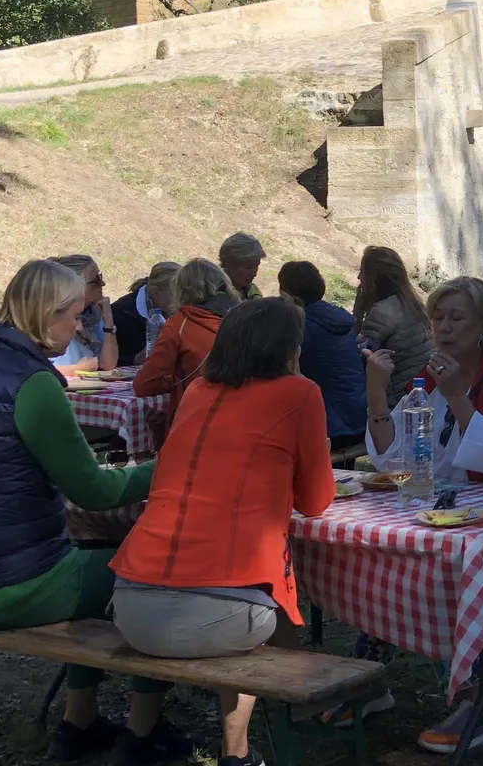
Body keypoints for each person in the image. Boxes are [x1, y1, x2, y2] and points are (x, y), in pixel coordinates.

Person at [0, 260, 186, 764]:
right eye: (75, 316)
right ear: (46, 314)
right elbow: (93, 490)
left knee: (98, 554)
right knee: (159, 578)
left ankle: (79, 721)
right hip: (9, 587)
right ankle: (143, 735)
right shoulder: (34, 385)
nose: (80, 328)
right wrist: (172, 466)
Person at [111, 299, 335, 766]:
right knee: (255, 604)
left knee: (238, 592)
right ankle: (239, 752)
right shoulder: (300, 392)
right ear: (288, 347)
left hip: (130, 604)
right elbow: (315, 502)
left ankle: (138, 736)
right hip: (218, 615)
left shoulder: (197, 390)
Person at [360, 276, 483, 752]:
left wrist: (457, 397)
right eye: (438, 317)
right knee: (383, 554)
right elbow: (399, 462)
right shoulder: (435, 374)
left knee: (440, 569)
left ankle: (481, 707)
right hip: (458, 511)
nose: (444, 328)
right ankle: (366, 682)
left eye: (457, 318)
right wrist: (375, 394)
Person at [277, 261, 368, 448]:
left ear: (289, 295)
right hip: (358, 419)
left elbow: (278, 366)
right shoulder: (335, 317)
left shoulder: (304, 326)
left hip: (331, 427)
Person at [133, 259, 237, 407]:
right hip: (242, 410)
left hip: (195, 413)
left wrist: (173, 381)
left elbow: (143, 384)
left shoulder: (180, 324)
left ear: (181, 291)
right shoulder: (243, 319)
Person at [351, 246, 432, 411]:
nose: (359, 277)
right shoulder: (415, 303)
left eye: (362, 272)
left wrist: (357, 314)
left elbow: (356, 358)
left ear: (374, 279)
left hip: (397, 403)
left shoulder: (381, 313)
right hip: (424, 394)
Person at [48, 254, 118, 376]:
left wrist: (108, 318)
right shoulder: (54, 315)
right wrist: (77, 368)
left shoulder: (92, 314)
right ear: (78, 285)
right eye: (96, 279)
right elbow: (34, 369)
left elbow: (107, 364)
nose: (103, 283)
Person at [111, 261, 179, 365]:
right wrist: (134, 359)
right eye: (176, 295)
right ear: (155, 293)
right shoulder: (122, 312)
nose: (182, 300)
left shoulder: (183, 311)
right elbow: (107, 360)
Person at [219, 232, 266, 300]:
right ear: (226, 262)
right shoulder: (209, 292)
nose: (254, 274)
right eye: (248, 267)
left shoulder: (253, 293)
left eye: (257, 266)